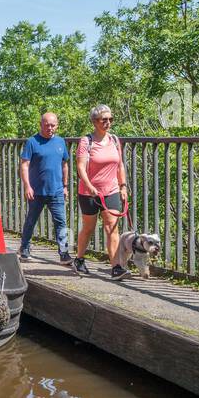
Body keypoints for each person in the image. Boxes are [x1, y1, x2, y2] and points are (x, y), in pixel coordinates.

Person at [73, 104, 128, 279]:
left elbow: (119, 165)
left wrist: (123, 186)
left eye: (110, 119)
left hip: (110, 191)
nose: (108, 122)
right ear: (95, 121)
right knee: (88, 228)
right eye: (104, 120)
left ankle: (117, 267)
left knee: (112, 227)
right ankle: (79, 259)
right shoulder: (86, 141)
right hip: (89, 192)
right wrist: (89, 186)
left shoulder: (114, 140)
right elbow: (81, 167)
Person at [18, 112, 71, 265]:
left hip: (57, 190)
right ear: (41, 124)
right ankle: (25, 248)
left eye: (52, 125)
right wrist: (27, 185)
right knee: (31, 220)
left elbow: (65, 165)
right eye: (46, 124)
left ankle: (64, 253)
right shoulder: (32, 142)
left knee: (61, 222)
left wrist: (65, 186)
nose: (49, 128)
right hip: (36, 191)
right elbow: (24, 165)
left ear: (57, 125)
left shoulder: (61, 142)